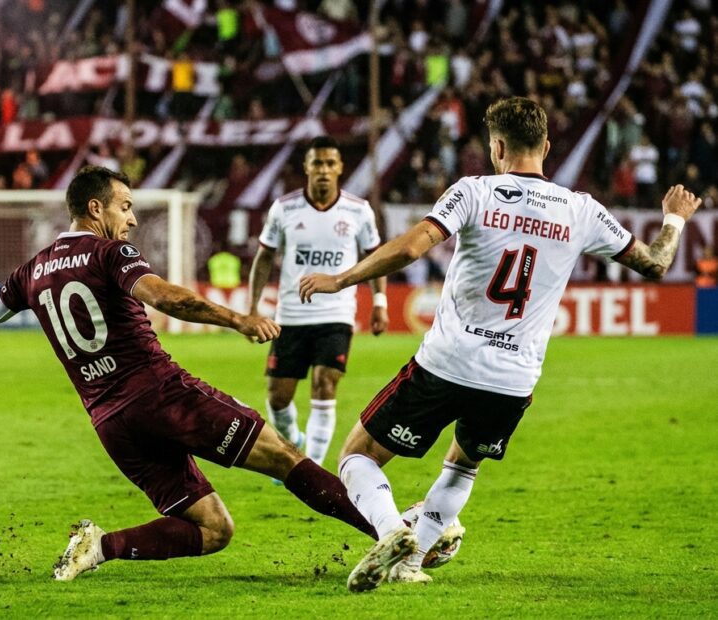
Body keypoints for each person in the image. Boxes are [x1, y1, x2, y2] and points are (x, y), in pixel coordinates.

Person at [299, 97, 702, 592]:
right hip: (514, 378)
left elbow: (409, 248)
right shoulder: (581, 209)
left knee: (357, 455)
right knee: (463, 465)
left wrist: (342, 281)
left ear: (497, 147)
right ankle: (410, 562)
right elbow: (656, 263)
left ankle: (392, 533)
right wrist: (674, 218)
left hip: (449, 361)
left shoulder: (474, 191)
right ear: (547, 147)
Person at [0, 166, 377, 582]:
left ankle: (100, 547)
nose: (131, 219)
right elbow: (164, 297)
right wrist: (237, 318)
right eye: (125, 207)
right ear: (95, 208)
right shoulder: (110, 253)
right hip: (162, 395)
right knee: (283, 456)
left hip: (111, 423)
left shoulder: (31, 270)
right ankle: (393, 531)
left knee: (215, 530)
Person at [248, 136, 388, 469]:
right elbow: (264, 257)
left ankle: (310, 466)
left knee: (325, 385)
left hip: (336, 314)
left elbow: (376, 257)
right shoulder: (285, 208)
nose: (323, 170)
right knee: (278, 398)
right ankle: (293, 439)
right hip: (291, 316)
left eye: (329, 163)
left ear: (339, 168)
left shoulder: (358, 210)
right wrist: (252, 309)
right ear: (307, 167)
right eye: (317, 163)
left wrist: (379, 301)